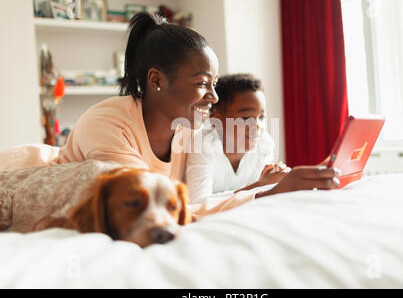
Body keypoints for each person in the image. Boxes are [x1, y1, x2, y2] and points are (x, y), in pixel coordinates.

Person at [1, 12, 341, 218]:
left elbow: (193, 204)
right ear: (156, 80)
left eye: (215, 84)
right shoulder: (108, 124)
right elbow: (153, 209)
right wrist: (264, 193)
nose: (214, 96)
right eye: (202, 84)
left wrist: (264, 185)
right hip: (24, 178)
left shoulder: (190, 131)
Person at [186, 73, 290, 205]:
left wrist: (276, 182)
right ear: (216, 122)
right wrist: (259, 185)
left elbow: (260, 197)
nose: (257, 126)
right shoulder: (202, 144)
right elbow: (198, 204)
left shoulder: (265, 143)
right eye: (246, 118)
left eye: (261, 117)